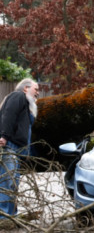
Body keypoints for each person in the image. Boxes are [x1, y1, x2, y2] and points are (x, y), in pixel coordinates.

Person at [0, 78, 39, 220]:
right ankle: (3, 217)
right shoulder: (18, 96)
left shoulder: (27, 104)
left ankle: (11, 216)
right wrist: (4, 136)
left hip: (18, 149)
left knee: (13, 183)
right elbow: (8, 115)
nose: (38, 93)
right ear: (25, 88)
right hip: (10, 145)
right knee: (6, 182)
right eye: (36, 89)